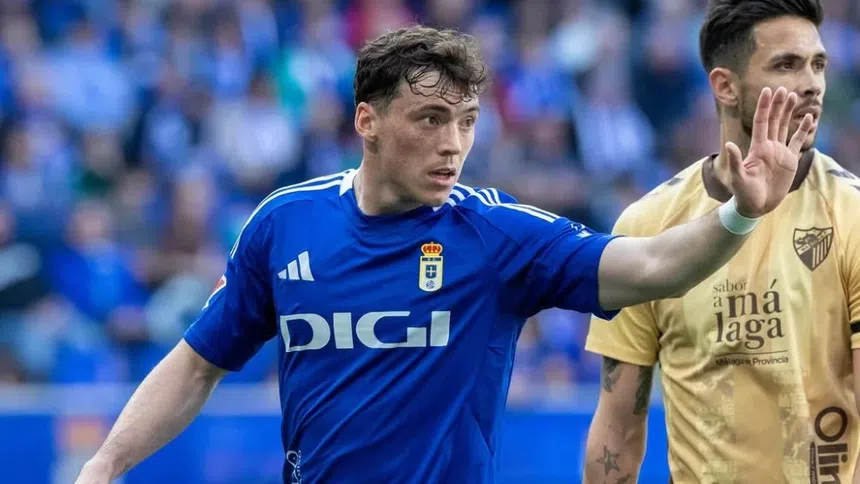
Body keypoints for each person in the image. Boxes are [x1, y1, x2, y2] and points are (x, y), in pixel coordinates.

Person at [76, 24, 812, 484]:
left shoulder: (496, 236)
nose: (453, 143)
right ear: (367, 121)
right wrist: (105, 464)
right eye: (430, 119)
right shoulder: (285, 223)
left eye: (466, 121)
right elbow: (197, 362)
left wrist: (740, 215)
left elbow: (650, 267)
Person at [583, 1, 860, 483]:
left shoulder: (852, 214)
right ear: (725, 86)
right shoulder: (647, 226)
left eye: (818, 64)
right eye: (786, 65)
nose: (812, 83)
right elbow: (618, 430)